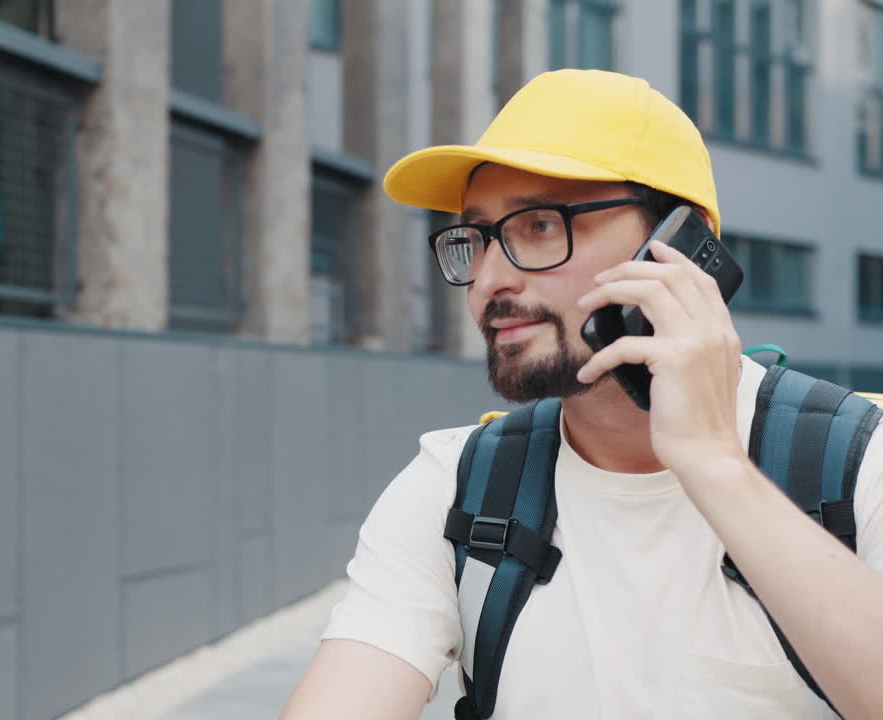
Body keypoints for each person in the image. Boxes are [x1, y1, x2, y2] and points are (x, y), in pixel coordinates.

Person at [280, 69, 883, 719]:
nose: (488, 279)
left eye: (540, 225)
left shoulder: (858, 466)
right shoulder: (458, 485)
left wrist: (713, 463)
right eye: (476, 239)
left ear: (679, 244)